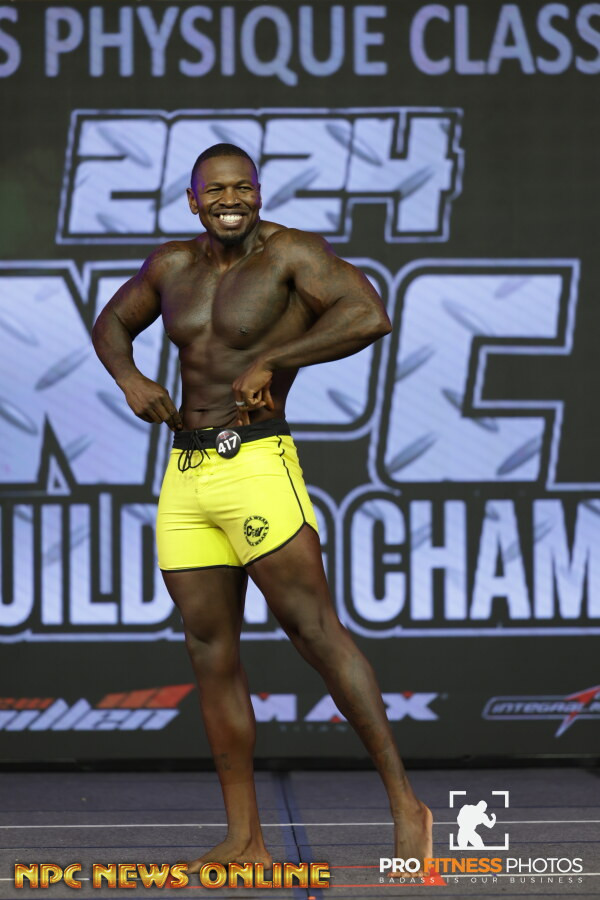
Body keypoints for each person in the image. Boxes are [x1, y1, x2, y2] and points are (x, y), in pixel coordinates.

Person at [91, 143, 433, 874]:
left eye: (242, 187)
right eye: (215, 190)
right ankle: (245, 840)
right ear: (193, 201)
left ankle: (407, 805)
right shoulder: (170, 266)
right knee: (210, 651)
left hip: (255, 461)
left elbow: (369, 315)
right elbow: (111, 324)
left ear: (258, 192)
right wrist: (130, 380)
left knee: (314, 631)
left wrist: (278, 358)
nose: (230, 200)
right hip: (185, 472)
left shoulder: (290, 255)